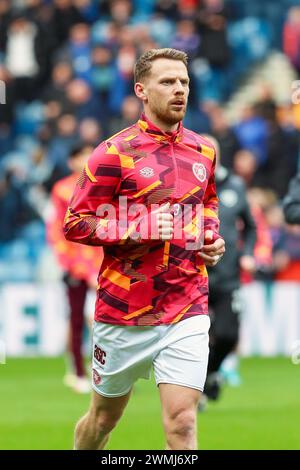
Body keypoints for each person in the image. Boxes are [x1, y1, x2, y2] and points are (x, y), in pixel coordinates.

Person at [63, 48, 225, 450]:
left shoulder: (204, 150)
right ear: (141, 89)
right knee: (102, 420)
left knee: (183, 423)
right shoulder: (112, 153)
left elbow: (207, 204)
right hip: (125, 310)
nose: (179, 90)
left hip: (187, 301)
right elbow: (75, 222)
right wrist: (137, 226)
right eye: (168, 82)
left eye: (184, 82)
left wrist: (210, 237)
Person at [202, 136, 256, 403]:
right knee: (193, 337)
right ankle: (191, 391)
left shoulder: (235, 185)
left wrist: (247, 254)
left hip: (227, 275)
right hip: (193, 274)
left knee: (227, 334)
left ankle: (210, 374)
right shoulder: (188, 185)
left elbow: (252, 226)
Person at [47, 143, 103, 393]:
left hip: (104, 264)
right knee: (77, 318)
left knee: (108, 320)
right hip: (75, 266)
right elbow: (57, 230)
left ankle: (107, 372)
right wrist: (74, 265)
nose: (85, 160)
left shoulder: (103, 186)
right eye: (81, 155)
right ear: (71, 161)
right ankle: (78, 373)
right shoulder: (61, 190)